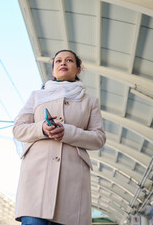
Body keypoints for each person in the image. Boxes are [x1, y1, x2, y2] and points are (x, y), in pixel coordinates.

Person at [13, 50, 106, 225]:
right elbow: (18, 129)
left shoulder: (90, 101)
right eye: (58, 61)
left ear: (78, 70)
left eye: (69, 60)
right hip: (36, 176)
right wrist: (42, 128)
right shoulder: (37, 96)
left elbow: (98, 138)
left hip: (72, 179)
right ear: (54, 70)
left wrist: (68, 132)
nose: (63, 63)